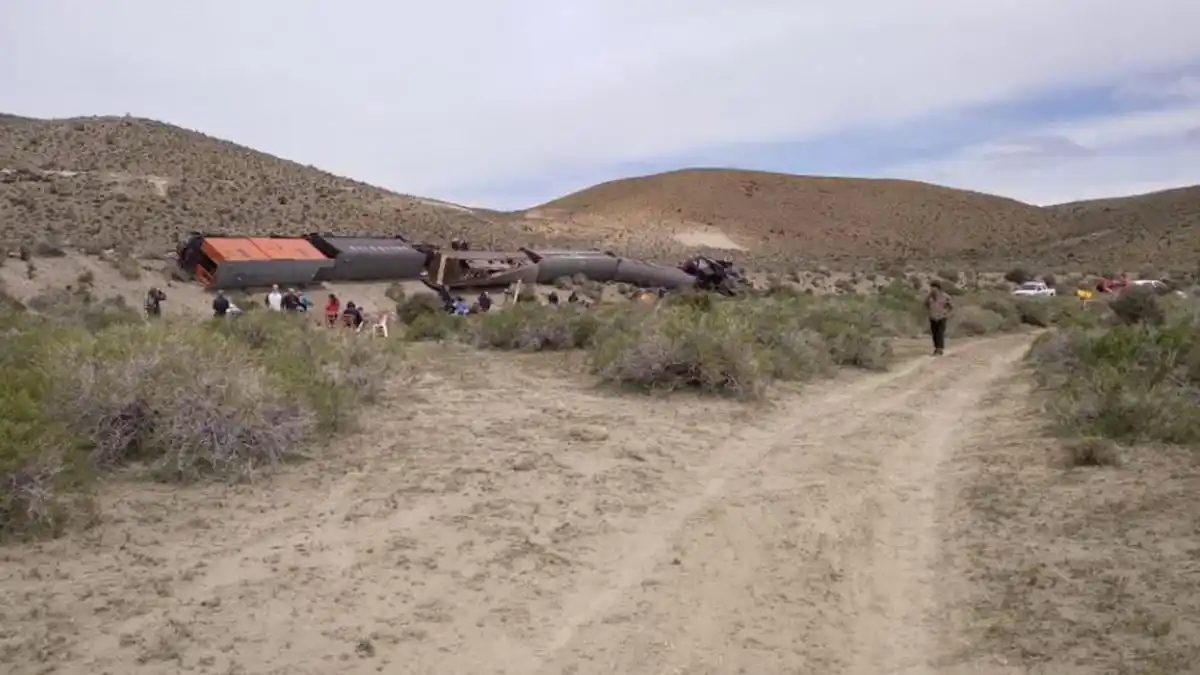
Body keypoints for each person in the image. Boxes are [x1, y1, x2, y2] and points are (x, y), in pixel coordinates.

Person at [923, 280, 953, 356]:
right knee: (934, 333)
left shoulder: (945, 296)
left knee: (940, 333)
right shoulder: (929, 297)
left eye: (933, 287)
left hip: (942, 317)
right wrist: (929, 311)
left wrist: (946, 312)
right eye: (931, 287)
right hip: (933, 317)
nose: (932, 289)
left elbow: (950, 306)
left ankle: (939, 349)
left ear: (938, 288)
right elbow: (925, 304)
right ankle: (937, 348)